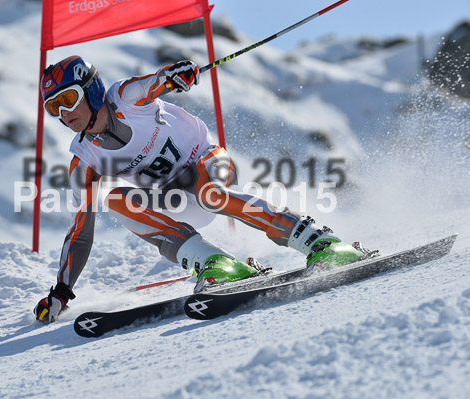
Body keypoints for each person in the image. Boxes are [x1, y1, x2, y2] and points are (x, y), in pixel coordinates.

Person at [34, 55, 369, 323]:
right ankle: (216, 263)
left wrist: (177, 73)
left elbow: (155, 82)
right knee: (112, 198)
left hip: (207, 163)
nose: (63, 114)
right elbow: (80, 232)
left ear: (92, 91)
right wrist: (61, 291)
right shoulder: (85, 160)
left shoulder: (124, 97)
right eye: (53, 108)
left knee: (211, 194)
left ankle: (320, 241)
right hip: (173, 197)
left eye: (67, 99)